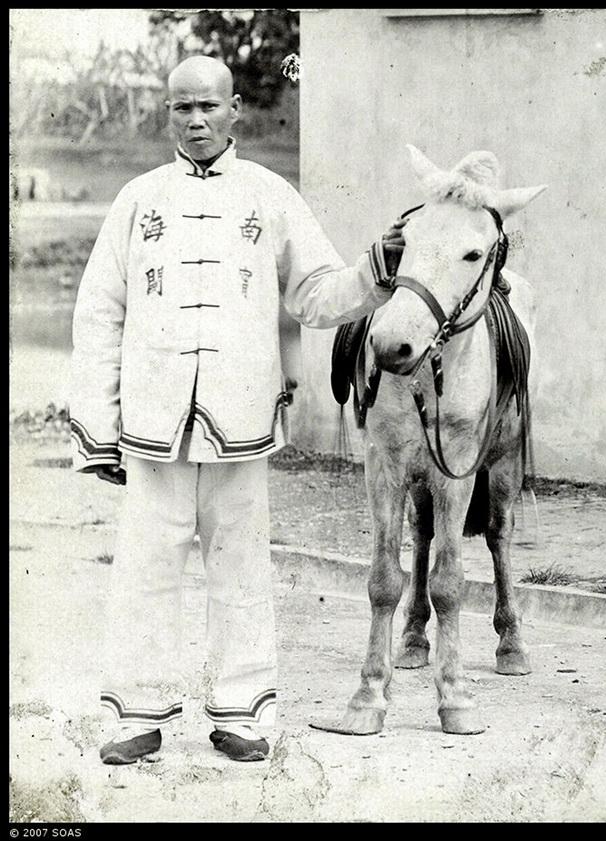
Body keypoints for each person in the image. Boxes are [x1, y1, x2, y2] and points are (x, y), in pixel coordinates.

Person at [69, 55, 405, 765]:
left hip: (241, 420)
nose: (195, 120)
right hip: (154, 425)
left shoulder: (270, 195)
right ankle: (137, 709)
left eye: (208, 107)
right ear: (167, 114)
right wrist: (100, 428)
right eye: (181, 108)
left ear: (235, 110)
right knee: (143, 570)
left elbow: (317, 291)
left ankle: (241, 710)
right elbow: (99, 312)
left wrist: (375, 273)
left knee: (242, 568)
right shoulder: (138, 199)